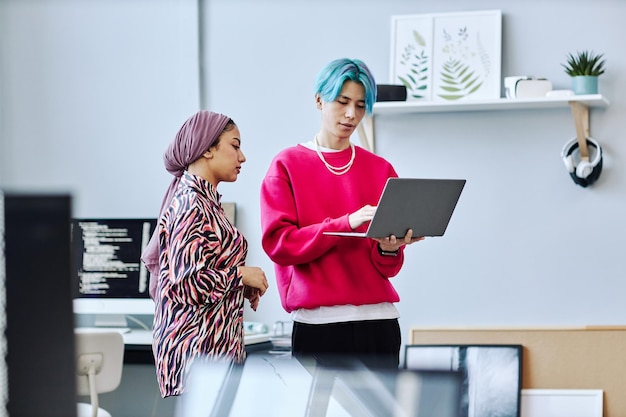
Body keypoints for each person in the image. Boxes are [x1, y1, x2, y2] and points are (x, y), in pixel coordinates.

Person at [259, 58, 423, 370]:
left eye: (361, 105)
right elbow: (280, 245)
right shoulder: (286, 165)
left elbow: (387, 266)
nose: (352, 114)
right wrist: (345, 223)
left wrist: (390, 247)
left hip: (380, 321)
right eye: (343, 101)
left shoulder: (380, 169)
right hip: (318, 326)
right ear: (319, 100)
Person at [141, 110, 269, 397]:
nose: (243, 157)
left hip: (213, 355)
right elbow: (185, 285)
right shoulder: (191, 205)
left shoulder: (206, 202)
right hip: (198, 357)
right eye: (235, 146)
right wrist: (240, 275)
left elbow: (202, 271)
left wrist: (240, 286)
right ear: (207, 148)